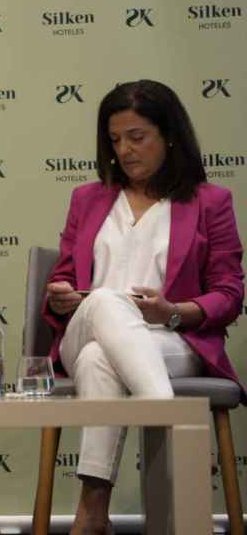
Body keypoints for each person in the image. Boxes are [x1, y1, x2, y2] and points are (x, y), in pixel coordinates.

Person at [43, 79, 244, 535]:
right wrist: (61, 295)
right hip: (87, 325)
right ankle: (172, 429)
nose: (125, 151)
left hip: (173, 337)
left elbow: (229, 293)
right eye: (115, 140)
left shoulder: (210, 202)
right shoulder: (87, 199)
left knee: (100, 359)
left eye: (138, 137)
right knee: (106, 302)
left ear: (169, 135)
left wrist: (173, 310)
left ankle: (92, 512)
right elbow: (63, 279)